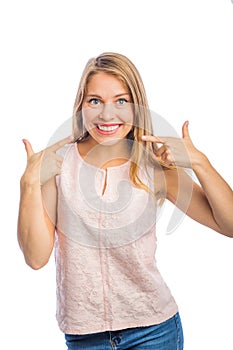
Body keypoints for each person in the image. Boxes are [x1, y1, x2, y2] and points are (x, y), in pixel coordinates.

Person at [17, 52, 233, 350]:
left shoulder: (154, 166)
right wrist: (28, 184)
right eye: (95, 101)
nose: (107, 115)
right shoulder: (58, 166)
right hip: (84, 336)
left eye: (121, 101)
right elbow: (36, 258)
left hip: (154, 332)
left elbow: (230, 225)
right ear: (81, 105)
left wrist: (200, 163)